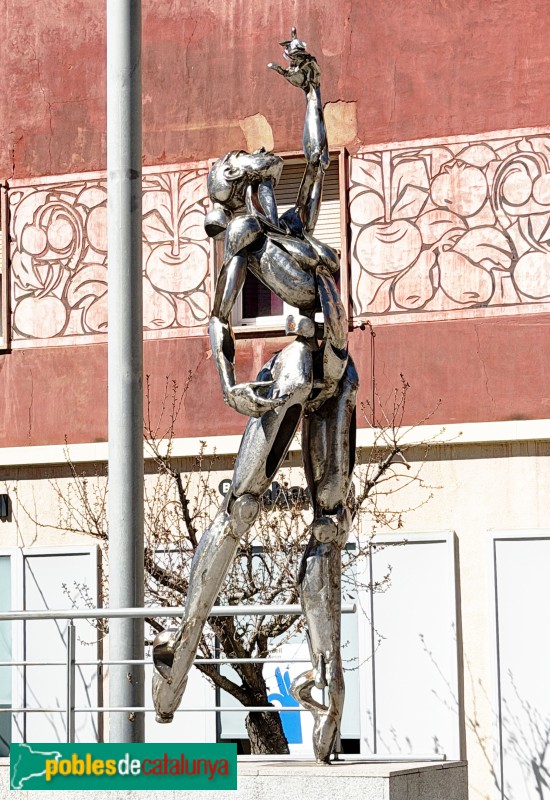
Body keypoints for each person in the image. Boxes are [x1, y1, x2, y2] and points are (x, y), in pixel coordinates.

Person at [152, 29, 358, 763]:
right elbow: (216, 324)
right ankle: (181, 643)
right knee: (239, 510)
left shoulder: (293, 226)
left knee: (329, 525)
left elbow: (317, 157)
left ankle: (325, 683)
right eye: (249, 170)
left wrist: (311, 90)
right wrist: (232, 388)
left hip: (337, 375)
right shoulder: (249, 243)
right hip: (297, 374)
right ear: (241, 190)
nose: (265, 171)